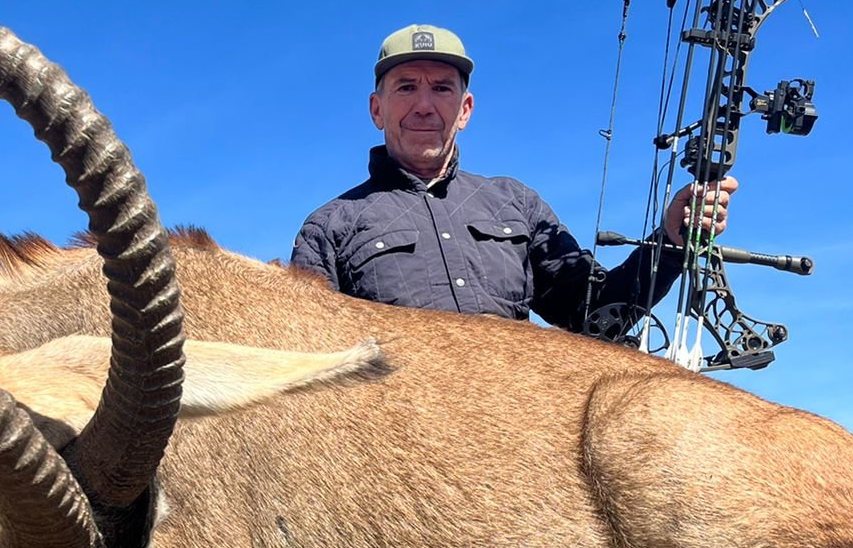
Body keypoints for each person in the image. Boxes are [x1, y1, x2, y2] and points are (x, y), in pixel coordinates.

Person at [290, 24, 736, 332]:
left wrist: (673, 241)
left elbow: (596, 314)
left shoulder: (514, 202)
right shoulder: (329, 228)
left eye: (442, 88)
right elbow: (310, 363)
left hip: (522, 446)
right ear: (376, 109)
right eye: (406, 86)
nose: (424, 105)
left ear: (465, 110)